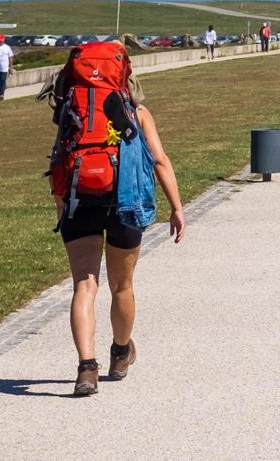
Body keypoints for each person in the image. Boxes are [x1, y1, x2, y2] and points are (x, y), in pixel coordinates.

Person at [56, 70, 186, 396]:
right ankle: (120, 353)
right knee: (122, 285)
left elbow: (59, 160)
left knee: (84, 286)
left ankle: (86, 368)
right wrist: (177, 207)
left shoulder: (77, 113)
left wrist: (62, 207)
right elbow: (159, 160)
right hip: (124, 204)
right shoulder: (137, 113)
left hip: (80, 203)